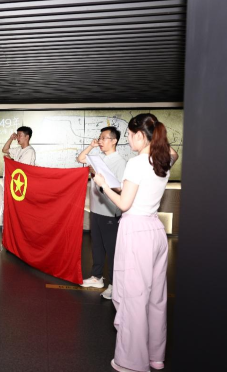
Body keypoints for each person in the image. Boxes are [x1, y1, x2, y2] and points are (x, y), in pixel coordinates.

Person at [92, 113, 178, 372]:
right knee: (156, 298)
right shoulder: (163, 160)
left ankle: (131, 362)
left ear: (141, 135)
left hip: (135, 232)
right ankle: (155, 357)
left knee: (133, 299)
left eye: (130, 135)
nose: (128, 140)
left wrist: (103, 185)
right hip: (155, 230)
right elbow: (172, 152)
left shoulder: (137, 163)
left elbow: (124, 204)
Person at [77, 127, 127, 300]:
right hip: (96, 210)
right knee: (97, 246)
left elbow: (121, 188)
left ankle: (114, 285)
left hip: (109, 212)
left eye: (104, 138)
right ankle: (96, 277)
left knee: (112, 251)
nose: (100, 141)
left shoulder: (120, 162)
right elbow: (81, 158)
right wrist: (91, 146)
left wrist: (103, 183)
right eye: (99, 138)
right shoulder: (100, 158)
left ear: (114, 141)